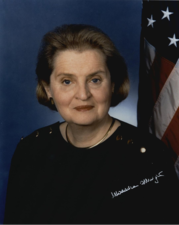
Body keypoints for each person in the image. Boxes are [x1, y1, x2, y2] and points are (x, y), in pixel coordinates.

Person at [3, 24, 179, 225]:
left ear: (112, 84)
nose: (83, 94)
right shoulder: (30, 151)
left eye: (95, 80)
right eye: (67, 81)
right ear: (48, 88)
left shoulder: (148, 157)